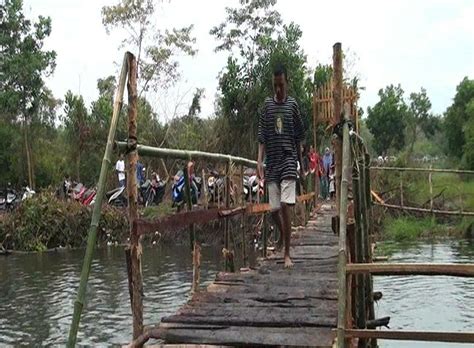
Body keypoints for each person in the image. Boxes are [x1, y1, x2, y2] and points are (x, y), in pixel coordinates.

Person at [257, 63, 306, 269]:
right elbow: (262, 137)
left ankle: (287, 253)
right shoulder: (267, 107)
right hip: (272, 162)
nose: (278, 89)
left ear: (287, 83)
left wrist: (301, 167)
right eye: (275, 85)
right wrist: (259, 161)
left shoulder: (292, 105)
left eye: (281, 85)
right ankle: (284, 234)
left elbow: (299, 137)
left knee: (286, 205)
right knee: (273, 210)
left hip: (288, 159)